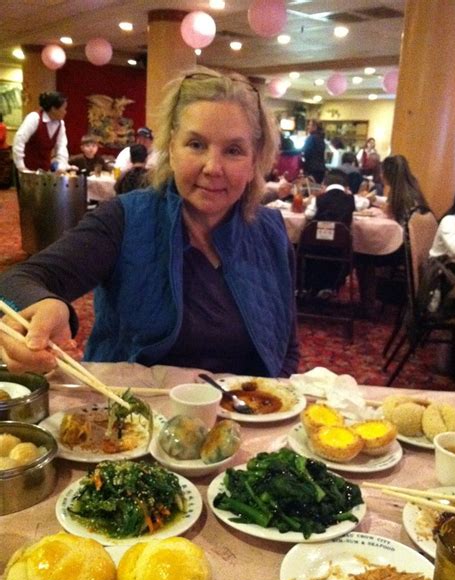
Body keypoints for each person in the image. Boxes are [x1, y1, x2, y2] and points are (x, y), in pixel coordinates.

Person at [0, 67, 299, 378]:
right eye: (196, 144)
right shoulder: (125, 218)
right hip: (135, 416)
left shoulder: (272, 232)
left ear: (255, 162)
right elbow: (13, 282)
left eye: (234, 150)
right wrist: (48, 304)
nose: (213, 167)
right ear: (170, 148)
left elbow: (286, 350)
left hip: (246, 417)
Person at [355, 155, 430, 317]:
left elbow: (388, 210)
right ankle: (368, 303)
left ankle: (367, 306)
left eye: (382, 173)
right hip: (412, 248)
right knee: (365, 254)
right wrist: (376, 200)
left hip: (400, 248)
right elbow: (388, 207)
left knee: (364, 256)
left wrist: (371, 201)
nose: (380, 175)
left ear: (388, 174)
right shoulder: (411, 188)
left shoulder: (399, 194)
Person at [12, 91, 68, 172]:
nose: (65, 112)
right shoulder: (34, 118)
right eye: (64, 108)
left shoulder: (60, 124)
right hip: (26, 168)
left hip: (44, 170)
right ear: (53, 109)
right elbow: (19, 140)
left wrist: (61, 166)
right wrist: (21, 167)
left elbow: (62, 146)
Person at [301, 120, 326, 184]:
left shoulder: (311, 138)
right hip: (321, 169)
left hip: (311, 168)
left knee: (310, 189)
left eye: (310, 125)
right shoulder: (321, 138)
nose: (308, 127)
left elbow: (305, 152)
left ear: (315, 127)